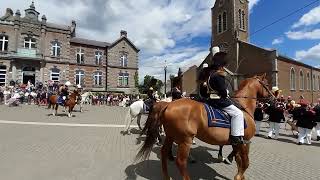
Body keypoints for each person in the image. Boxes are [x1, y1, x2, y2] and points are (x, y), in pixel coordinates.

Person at [206, 51, 245, 145]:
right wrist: (226, 93)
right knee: (238, 113)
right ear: (222, 63)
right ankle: (235, 137)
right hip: (219, 101)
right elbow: (222, 92)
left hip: (211, 100)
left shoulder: (211, 75)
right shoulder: (219, 75)